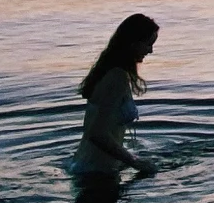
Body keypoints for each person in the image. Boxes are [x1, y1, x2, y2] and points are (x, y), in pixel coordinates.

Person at [68, 13, 159, 180]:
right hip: (96, 173)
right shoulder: (117, 77)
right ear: (134, 43)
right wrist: (136, 162)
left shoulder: (108, 72)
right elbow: (97, 133)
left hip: (88, 166)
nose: (150, 50)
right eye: (148, 44)